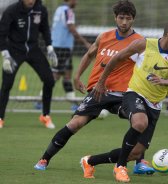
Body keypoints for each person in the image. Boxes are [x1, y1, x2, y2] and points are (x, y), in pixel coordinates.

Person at [34, 0, 154, 176]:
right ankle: (44, 158)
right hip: (98, 92)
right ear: (115, 17)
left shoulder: (138, 42)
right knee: (75, 124)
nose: (124, 22)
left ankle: (139, 161)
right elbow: (89, 54)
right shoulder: (104, 37)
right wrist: (76, 76)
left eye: (128, 19)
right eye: (121, 18)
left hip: (123, 94)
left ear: (133, 20)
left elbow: (146, 66)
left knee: (140, 120)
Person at [82, 21, 168, 183]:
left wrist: (163, 81)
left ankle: (89, 161)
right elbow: (117, 58)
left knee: (136, 152)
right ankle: (120, 167)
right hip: (135, 94)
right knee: (139, 123)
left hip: (155, 104)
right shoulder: (144, 44)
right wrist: (101, 81)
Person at [0, 0, 58, 129]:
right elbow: (2, 33)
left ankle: (45, 115)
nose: (31, 1)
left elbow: (45, 29)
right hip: (14, 51)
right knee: (7, 84)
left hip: (33, 50)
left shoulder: (41, 9)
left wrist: (49, 47)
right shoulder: (11, 10)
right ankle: (0, 118)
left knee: (49, 80)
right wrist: (5, 54)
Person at [34, 0, 91, 110]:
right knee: (55, 75)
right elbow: (71, 28)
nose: (76, 1)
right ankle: (40, 100)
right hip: (61, 47)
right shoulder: (68, 11)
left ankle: (73, 102)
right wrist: (85, 43)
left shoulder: (60, 9)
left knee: (67, 75)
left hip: (61, 46)